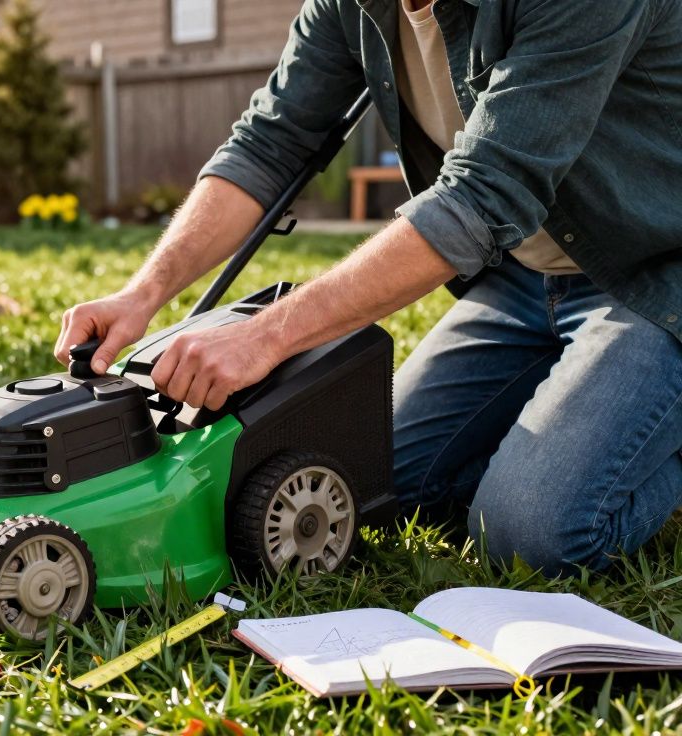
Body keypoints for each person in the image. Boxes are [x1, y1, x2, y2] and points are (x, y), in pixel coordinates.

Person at [54, 0, 682, 576]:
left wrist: (266, 336)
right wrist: (142, 294)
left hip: (653, 278)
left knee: (531, 536)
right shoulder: (349, 5)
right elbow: (268, 143)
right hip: (523, 283)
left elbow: (483, 194)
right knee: (362, 482)